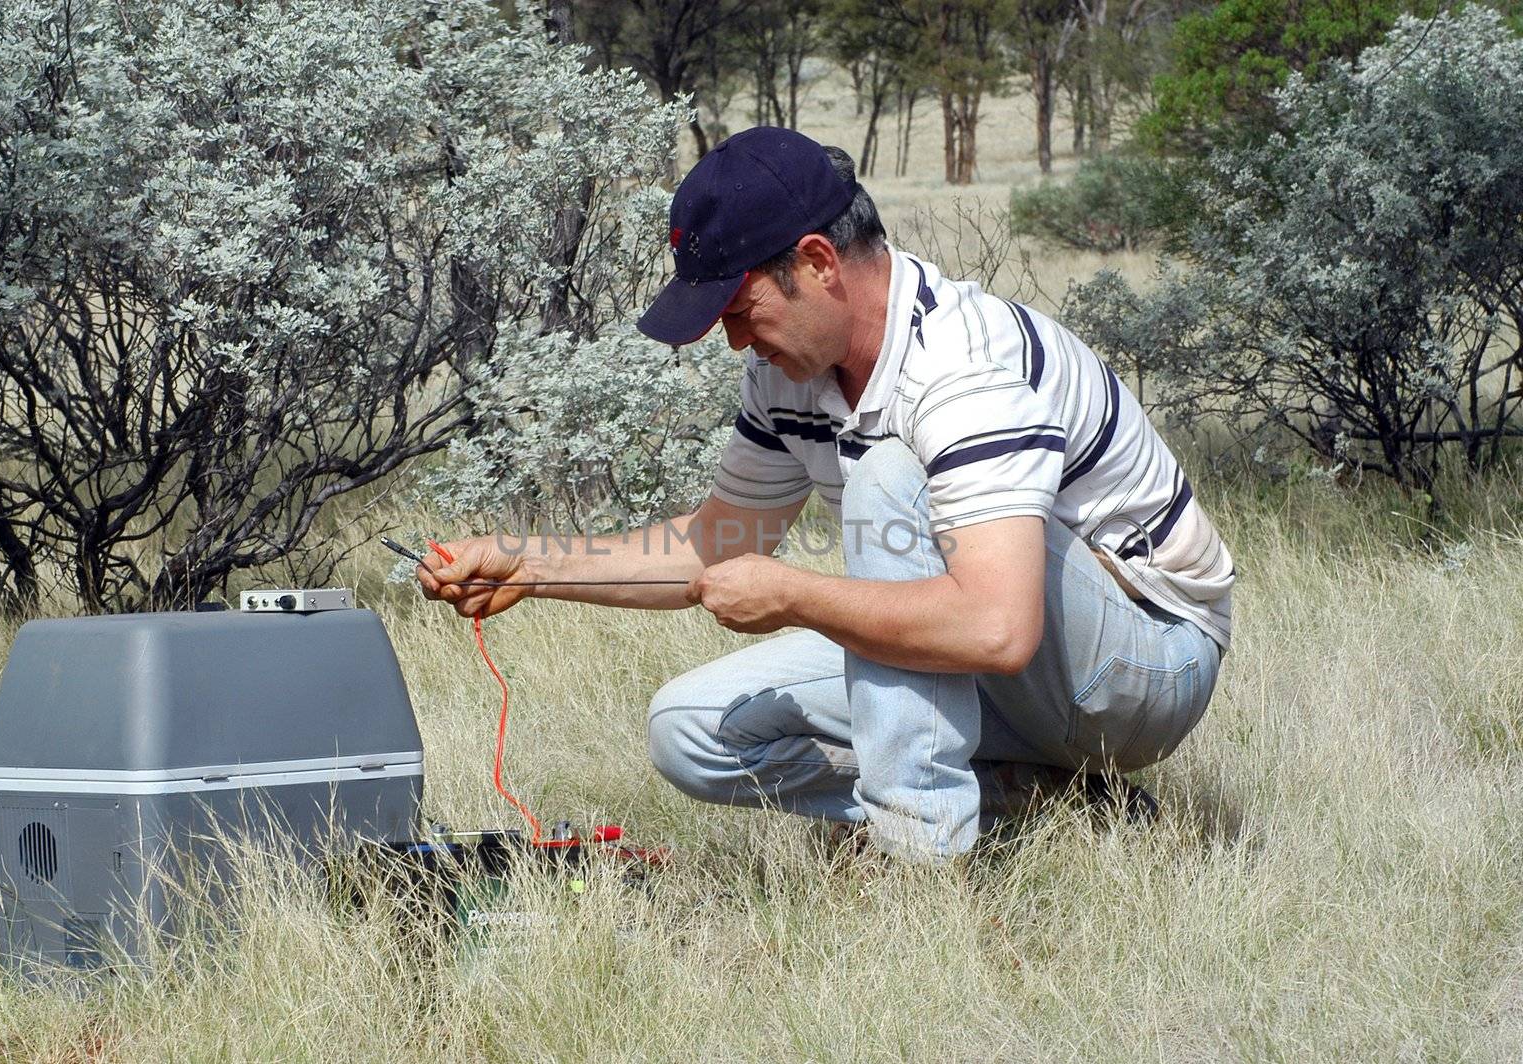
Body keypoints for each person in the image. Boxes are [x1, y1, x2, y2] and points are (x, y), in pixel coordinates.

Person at [420, 126, 1233, 864]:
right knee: (692, 730)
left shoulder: (961, 365)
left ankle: (925, 869)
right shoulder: (789, 373)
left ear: (817, 261)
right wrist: (525, 566)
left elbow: (998, 628)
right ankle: (1045, 804)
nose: (735, 340)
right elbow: (716, 547)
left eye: (741, 310)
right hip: (1007, 658)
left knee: (886, 475)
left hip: (1143, 667)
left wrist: (797, 595)